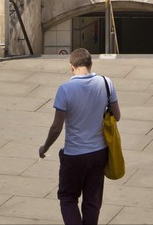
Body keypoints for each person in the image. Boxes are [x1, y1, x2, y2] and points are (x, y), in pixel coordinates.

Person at [39, 47, 120, 225]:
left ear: (71, 66)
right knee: (92, 201)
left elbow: (56, 127)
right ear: (90, 64)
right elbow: (117, 116)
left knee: (68, 197)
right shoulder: (106, 83)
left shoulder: (65, 89)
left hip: (74, 155)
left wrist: (45, 147)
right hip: (99, 152)